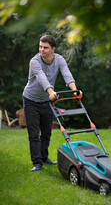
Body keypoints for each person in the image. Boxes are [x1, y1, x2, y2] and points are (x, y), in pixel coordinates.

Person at [23, 34, 82, 172]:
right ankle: (37, 162)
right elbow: (41, 77)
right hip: (30, 100)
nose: (41, 50)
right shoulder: (35, 61)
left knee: (47, 132)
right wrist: (50, 92)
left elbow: (67, 74)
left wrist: (75, 90)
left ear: (53, 49)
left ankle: (44, 157)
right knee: (34, 133)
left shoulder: (59, 60)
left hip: (46, 102)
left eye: (45, 48)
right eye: (40, 47)